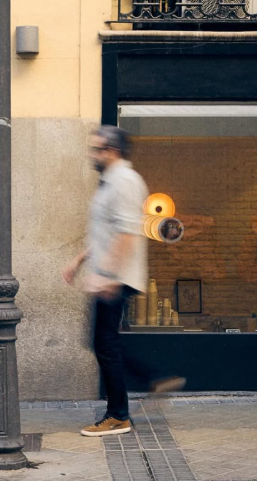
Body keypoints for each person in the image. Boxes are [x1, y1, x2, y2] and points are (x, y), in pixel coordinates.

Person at [62, 126, 185, 437]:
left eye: (97, 149)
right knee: (103, 342)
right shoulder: (111, 182)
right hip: (108, 274)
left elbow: (127, 233)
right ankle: (154, 380)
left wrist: (108, 275)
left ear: (112, 151)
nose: (92, 154)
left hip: (115, 278)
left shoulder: (125, 181)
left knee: (104, 344)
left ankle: (119, 415)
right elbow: (107, 231)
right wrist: (79, 260)